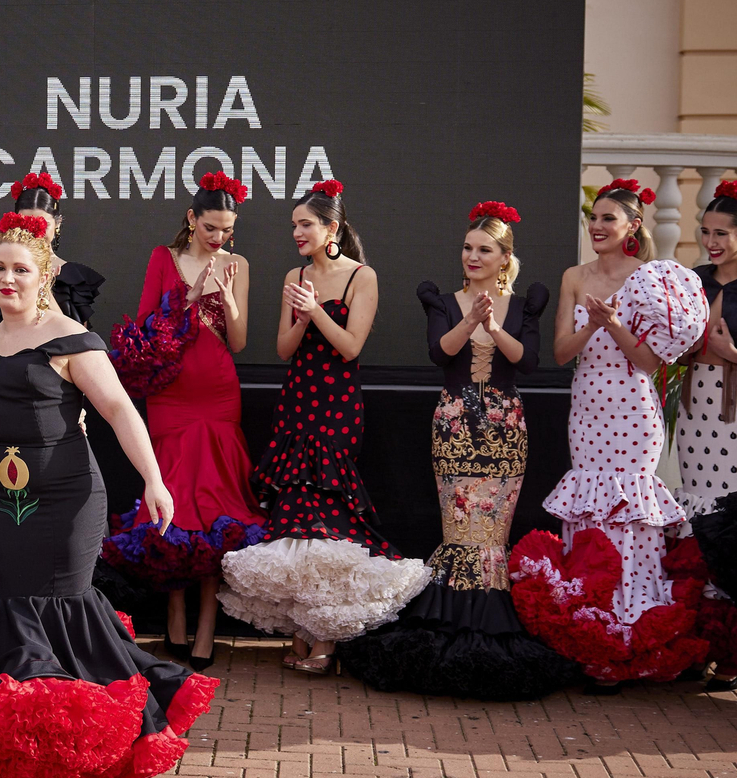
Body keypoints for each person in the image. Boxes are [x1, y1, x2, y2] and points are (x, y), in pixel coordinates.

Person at [0, 213, 215, 778]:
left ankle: (73, 744)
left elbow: (118, 409)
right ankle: (10, 742)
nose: (7, 279)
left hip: (66, 499)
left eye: (20, 270)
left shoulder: (71, 337)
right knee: (3, 606)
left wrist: (154, 480)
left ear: (44, 277)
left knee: (62, 607)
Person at [337, 202, 579, 699]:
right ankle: (450, 624)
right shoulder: (443, 301)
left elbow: (529, 362)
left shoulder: (525, 304)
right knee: (460, 527)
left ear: (504, 257)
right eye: (468, 248)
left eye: (484, 250)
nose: (472, 256)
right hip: (454, 426)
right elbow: (439, 353)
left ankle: (490, 627)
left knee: (493, 533)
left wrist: (495, 328)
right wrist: (470, 321)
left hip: (505, 426)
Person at [219, 180, 430, 674]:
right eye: (294, 225)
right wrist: (301, 316)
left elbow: (351, 347)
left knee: (325, 514)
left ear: (331, 228)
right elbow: (283, 349)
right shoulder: (294, 274)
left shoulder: (361, 276)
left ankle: (327, 640)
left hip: (336, 405)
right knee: (295, 511)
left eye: (306, 224)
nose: (297, 232)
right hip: (296, 399)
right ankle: (303, 632)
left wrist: (316, 310)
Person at [511, 178, 709, 691]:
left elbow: (648, 361)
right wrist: (595, 324)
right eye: (593, 218)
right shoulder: (574, 276)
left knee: (631, 514)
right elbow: (561, 353)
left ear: (632, 226)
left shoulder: (649, 277)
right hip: (587, 409)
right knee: (589, 510)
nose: (596, 227)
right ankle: (590, 629)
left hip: (634, 411)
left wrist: (616, 323)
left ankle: (631, 626)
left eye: (607, 219)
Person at [104, 173, 266, 672]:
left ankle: (208, 626)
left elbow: (239, 342)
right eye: (210, 227)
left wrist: (228, 299)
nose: (218, 237)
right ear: (192, 219)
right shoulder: (162, 258)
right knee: (174, 505)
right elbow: (143, 331)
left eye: (227, 229)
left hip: (218, 392)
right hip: (170, 395)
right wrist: (190, 296)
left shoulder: (238, 264)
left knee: (215, 506)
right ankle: (176, 615)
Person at [674, 180, 737, 691]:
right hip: (695, 412)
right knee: (697, 519)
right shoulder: (693, 280)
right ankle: (697, 646)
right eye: (706, 231)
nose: (711, 242)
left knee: (730, 523)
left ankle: (731, 652)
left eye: (722, 234)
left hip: (735, 415)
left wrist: (732, 354)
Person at [0, 173, 104, 329]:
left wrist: (44, 286)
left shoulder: (74, 278)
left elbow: (78, 336)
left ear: (57, 224)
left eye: (42, 224)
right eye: (25, 223)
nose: (34, 230)